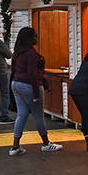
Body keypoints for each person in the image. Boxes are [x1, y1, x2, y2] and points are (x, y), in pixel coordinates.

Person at [9, 26, 62, 156]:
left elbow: (14, 70)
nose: (37, 38)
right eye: (35, 36)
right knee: (38, 115)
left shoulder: (17, 52)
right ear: (29, 38)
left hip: (16, 83)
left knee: (21, 115)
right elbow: (32, 73)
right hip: (29, 85)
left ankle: (15, 146)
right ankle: (46, 143)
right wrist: (36, 94)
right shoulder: (31, 53)